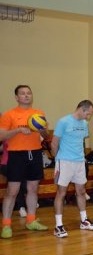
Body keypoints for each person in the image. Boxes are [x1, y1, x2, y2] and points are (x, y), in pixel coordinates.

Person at [0, 85, 49, 238]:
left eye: (29, 93)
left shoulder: (38, 114)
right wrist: (18, 130)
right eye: (23, 93)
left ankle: (31, 220)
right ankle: (6, 225)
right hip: (16, 155)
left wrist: (42, 130)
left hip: (35, 153)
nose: (27, 95)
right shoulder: (9, 114)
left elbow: (46, 135)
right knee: (12, 191)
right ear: (17, 97)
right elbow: (1, 136)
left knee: (33, 189)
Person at [52, 100, 93, 237]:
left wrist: (82, 157)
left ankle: (84, 221)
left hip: (79, 162)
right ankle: (58, 226)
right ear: (81, 109)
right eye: (88, 114)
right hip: (64, 162)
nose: (88, 117)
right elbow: (54, 143)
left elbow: (81, 142)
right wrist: (58, 160)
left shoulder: (84, 124)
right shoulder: (63, 122)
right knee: (61, 193)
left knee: (81, 191)